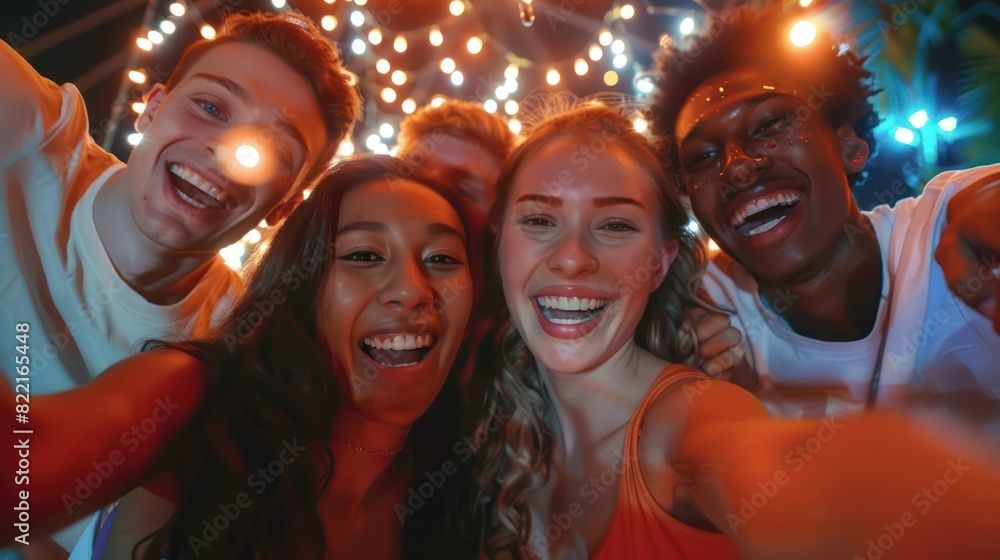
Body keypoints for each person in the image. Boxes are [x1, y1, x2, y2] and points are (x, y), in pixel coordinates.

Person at [471, 102, 1000, 559]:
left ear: (660, 262)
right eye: (539, 220)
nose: (571, 258)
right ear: (498, 248)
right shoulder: (497, 422)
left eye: (615, 225)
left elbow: (806, 481)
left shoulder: (689, 421)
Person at [2, 156, 477, 559]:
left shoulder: (471, 483)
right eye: (364, 255)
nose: (413, 290)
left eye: (442, 259)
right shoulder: (200, 398)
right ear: (301, 285)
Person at [648, 5, 1000, 422]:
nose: (736, 166)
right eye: (703, 156)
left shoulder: (947, 225)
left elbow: (984, 200)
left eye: (772, 123)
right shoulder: (703, 310)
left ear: (850, 148)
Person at [0, 11, 360, 398]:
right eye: (211, 108)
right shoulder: (33, 129)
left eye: (274, 152)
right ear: (152, 110)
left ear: (284, 208)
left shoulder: (232, 349)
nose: (228, 155)